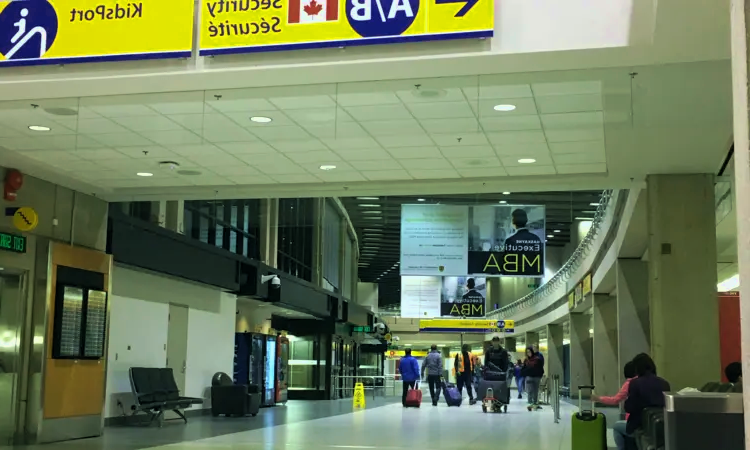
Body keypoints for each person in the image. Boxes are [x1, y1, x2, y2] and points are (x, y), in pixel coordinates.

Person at [620, 353, 670, 450]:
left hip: (640, 426)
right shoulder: (665, 383)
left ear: (637, 368)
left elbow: (629, 407)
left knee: (619, 428)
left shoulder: (635, 383)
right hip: (660, 428)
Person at [593, 360, 637, 444]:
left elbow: (615, 400)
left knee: (616, 426)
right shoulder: (647, 382)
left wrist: (598, 398)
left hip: (633, 422)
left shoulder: (629, 384)